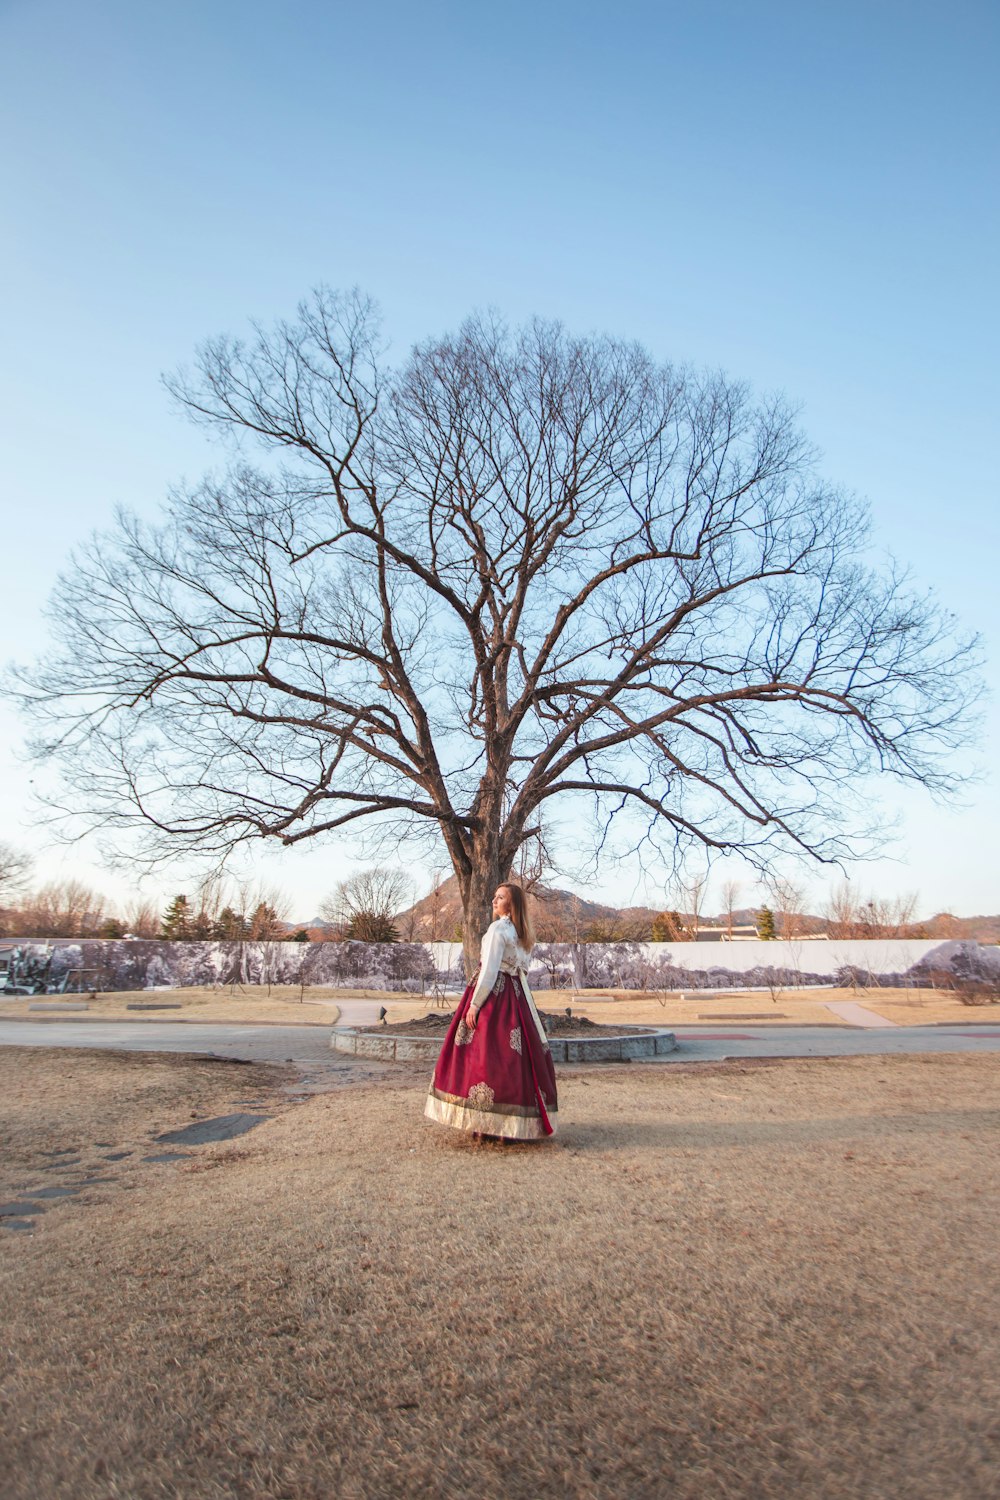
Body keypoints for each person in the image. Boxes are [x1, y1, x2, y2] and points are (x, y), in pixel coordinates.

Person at [424, 883, 558, 1140]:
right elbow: (523, 970)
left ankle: (486, 1123)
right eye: (495, 896)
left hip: (495, 996)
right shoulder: (522, 933)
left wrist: (475, 1004)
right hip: (518, 996)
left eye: (500, 897)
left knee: (485, 1054)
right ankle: (512, 1123)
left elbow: (489, 970)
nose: (494, 900)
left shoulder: (498, 929)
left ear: (511, 904)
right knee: (514, 1058)